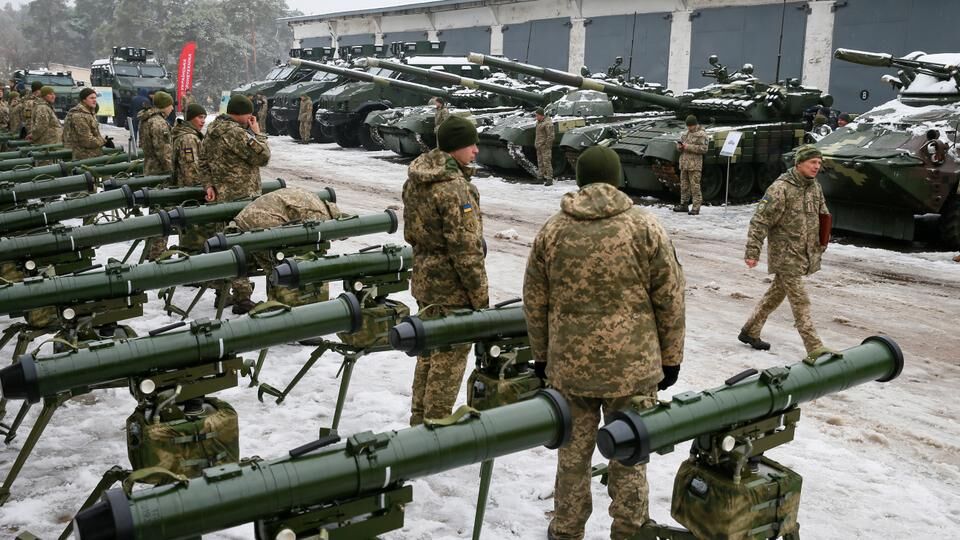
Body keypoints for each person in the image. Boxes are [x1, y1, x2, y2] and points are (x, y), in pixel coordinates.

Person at [523, 145, 686, 540]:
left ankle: (566, 530)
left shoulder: (553, 230)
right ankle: (629, 531)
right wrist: (671, 358)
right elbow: (670, 298)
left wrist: (541, 356)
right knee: (630, 455)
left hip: (570, 369)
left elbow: (535, 300)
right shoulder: (645, 227)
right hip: (632, 368)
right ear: (617, 178)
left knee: (572, 457)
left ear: (580, 180)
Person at [402, 115, 488, 426]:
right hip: (452, 289)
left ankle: (419, 418)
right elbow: (466, 251)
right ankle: (436, 425)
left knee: (427, 353)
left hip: (425, 280)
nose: (476, 150)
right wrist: (480, 299)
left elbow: (411, 232)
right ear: (455, 147)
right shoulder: (454, 189)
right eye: (470, 144)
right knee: (449, 359)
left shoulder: (417, 178)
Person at [740, 144, 830, 357]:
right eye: (812, 162)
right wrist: (753, 252)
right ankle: (815, 347)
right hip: (785, 255)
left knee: (775, 295)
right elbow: (760, 221)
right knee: (800, 301)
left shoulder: (814, 187)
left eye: (819, 163)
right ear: (799, 164)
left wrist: (821, 244)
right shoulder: (780, 188)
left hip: (804, 253)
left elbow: (823, 215)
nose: (816, 166)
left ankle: (750, 331)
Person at [200, 94, 270, 314]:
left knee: (225, 245)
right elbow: (263, 157)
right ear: (243, 114)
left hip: (222, 198)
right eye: (249, 115)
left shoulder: (213, 129)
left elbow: (203, 162)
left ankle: (222, 292)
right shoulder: (236, 133)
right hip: (241, 199)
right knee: (241, 248)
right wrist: (258, 133)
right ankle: (242, 298)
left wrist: (208, 185)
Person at [233, 187, 341, 305]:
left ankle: (272, 303)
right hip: (263, 221)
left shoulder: (316, 200)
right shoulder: (322, 216)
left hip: (248, 218)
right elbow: (309, 242)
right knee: (283, 267)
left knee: (271, 267)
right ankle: (277, 307)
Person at [139, 90, 175, 261]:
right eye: (170, 105)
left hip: (150, 169)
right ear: (164, 106)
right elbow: (164, 152)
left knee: (154, 213)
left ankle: (150, 248)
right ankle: (157, 252)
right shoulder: (159, 123)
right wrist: (172, 172)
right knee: (162, 214)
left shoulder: (146, 120)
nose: (172, 108)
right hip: (160, 172)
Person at [171, 103, 209, 252]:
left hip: (187, 192)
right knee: (193, 237)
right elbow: (191, 170)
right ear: (191, 118)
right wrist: (201, 190)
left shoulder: (188, 135)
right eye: (200, 117)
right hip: (191, 194)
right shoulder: (189, 138)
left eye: (204, 117)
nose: (203, 121)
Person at [673, 115, 707, 215]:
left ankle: (696, 207)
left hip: (694, 165)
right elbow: (679, 147)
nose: (689, 127)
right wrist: (679, 147)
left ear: (695, 124)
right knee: (684, 186)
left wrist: (688, 147)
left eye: (690, 126)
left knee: (695, 186)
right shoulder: (685, 134)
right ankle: (684, 205)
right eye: (687, 126)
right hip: (684, 164)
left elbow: (704, 149)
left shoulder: (702, 134)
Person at [63, 88, 107, 160]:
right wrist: (103, 142)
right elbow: (87, 141)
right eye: (91, 98)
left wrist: (103, 140)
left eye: (95, 98)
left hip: (93, 155)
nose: (94, 100)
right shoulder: (79, 116)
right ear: (84, 100)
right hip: (84, 157)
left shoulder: (89, 112)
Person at [534, 107, 555, 186]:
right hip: (539, 146)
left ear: (541, 115)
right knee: (540, 162)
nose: (536, 117)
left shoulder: (547, 123)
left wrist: (546, 145)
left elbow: (551, 136)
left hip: (545, 146)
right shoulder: (538, 122)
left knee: (547, 162)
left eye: (537, 115)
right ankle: (540, 178)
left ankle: (549, 179)